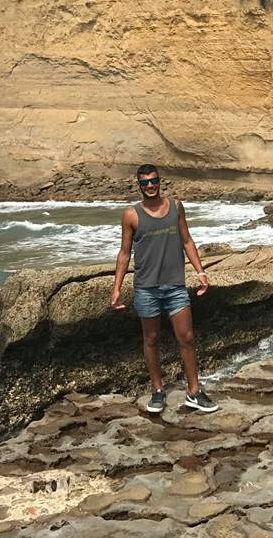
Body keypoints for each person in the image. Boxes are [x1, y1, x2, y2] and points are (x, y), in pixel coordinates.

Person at [110, 164, 218, 414]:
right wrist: (116, 288)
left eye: (153, 181)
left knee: (187, 337)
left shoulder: (176, 206)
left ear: (160, 181)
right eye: (144, 183)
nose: (150, 186)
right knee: (151, 339)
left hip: (175, 286)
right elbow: (124, 253)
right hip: (146, 288)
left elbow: (187, 240)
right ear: (139, 186)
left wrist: (200, 272)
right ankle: (157, 391)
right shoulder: (131, 215)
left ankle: (194, 391)